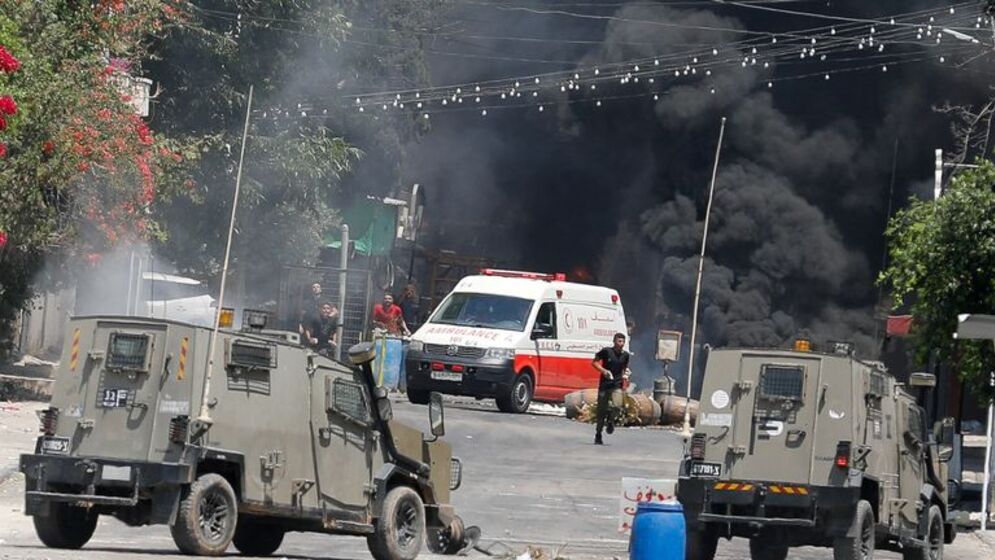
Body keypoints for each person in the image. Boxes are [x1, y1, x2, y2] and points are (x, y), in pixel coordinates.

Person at [591, 332, 630, 445]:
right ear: (614, 342)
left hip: (617, 385)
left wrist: (626, 375)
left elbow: (625, 368)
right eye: (619, 341)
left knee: (618, 406)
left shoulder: (625, 355)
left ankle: (611, 420)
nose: (621, 344)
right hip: (604, 385)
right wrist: (604, 371)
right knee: (601, 411)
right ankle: (598, 434)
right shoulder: (607, 351)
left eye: (623, 341)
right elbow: (594, 362)